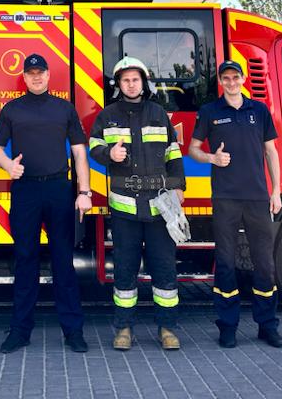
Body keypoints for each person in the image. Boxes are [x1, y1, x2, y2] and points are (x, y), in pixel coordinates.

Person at [0, 53, 91, 354]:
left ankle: (73, 331)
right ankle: (20, 331)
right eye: (30, 73)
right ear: (24, 77)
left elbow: (79, 152)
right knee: (25, 260)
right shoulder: (12, 109)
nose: (36, 77)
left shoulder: (64, 108)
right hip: (25, 191)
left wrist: (84, 191)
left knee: (63, 261)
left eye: (40, 72)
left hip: (59, 189)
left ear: (47, 76)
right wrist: (7, 165)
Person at [88, 56, 186, 351]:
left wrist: (178, 187)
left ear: (143, 82)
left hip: (159, 208)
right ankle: (123, 329)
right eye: (125, 80)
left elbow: (173, 153)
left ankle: (167, 329)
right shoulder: (107, 115)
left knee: (164, 269)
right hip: (124, 210)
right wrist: (109, 154)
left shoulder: (158, 113)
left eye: (135, 79)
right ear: (118, 84)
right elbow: (94, 146)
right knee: (125, 270)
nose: (131, 85)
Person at [190, 60, 282, 349]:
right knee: (226, 263)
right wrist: (212, 158)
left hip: (258, 197)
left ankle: (267, 326)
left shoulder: (259, 110)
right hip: (225, 198)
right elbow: (193, 149)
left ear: (243, 79)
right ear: (220, 81)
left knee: (264, 263)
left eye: (235, 77)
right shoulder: (210, 111)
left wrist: (276, 191)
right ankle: (228, 327)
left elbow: (271, 152)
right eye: (226, 78)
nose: (231, 82)